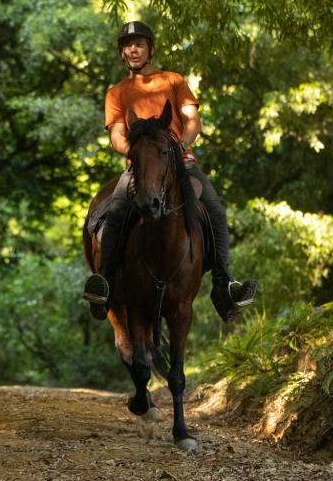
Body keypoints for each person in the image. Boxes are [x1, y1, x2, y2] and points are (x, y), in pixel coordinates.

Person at [83, 20, 257, 324]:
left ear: (150, 49)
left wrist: (178, 148)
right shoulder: (117, 93)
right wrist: (139, 154)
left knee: (214, 209)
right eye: (127, 46)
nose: (133, 49)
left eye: (139, 44)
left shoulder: (174, 81)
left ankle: (224, 284)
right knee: (117, 209)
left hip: (181, 162)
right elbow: (116, 135)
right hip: (140, 167)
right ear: (122, 53)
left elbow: (193, 122)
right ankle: (106, 283)